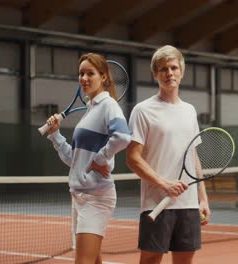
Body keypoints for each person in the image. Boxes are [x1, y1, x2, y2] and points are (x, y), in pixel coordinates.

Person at [126, 45, 210, 264]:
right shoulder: (143, 110)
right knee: (150, 261)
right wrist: (164, 184)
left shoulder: (189, 111)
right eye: (163, 69)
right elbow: (133, 158)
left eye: (173, 68)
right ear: (155, 74)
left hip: (189, 205)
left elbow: (193, 155)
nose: (169, 73)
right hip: (156, 203)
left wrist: (203, 198)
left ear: (181, 72)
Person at [44, 53, 131, 264]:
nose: (84, 78)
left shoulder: (108, 105)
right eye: (81, 73)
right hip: (79, 197)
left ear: (103, 77)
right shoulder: (91, 110)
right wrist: (55, 134)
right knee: (94, 260)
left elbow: (123, 136)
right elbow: (75, 160)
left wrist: (100, 159)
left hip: (96, 197)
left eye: (90, 73)